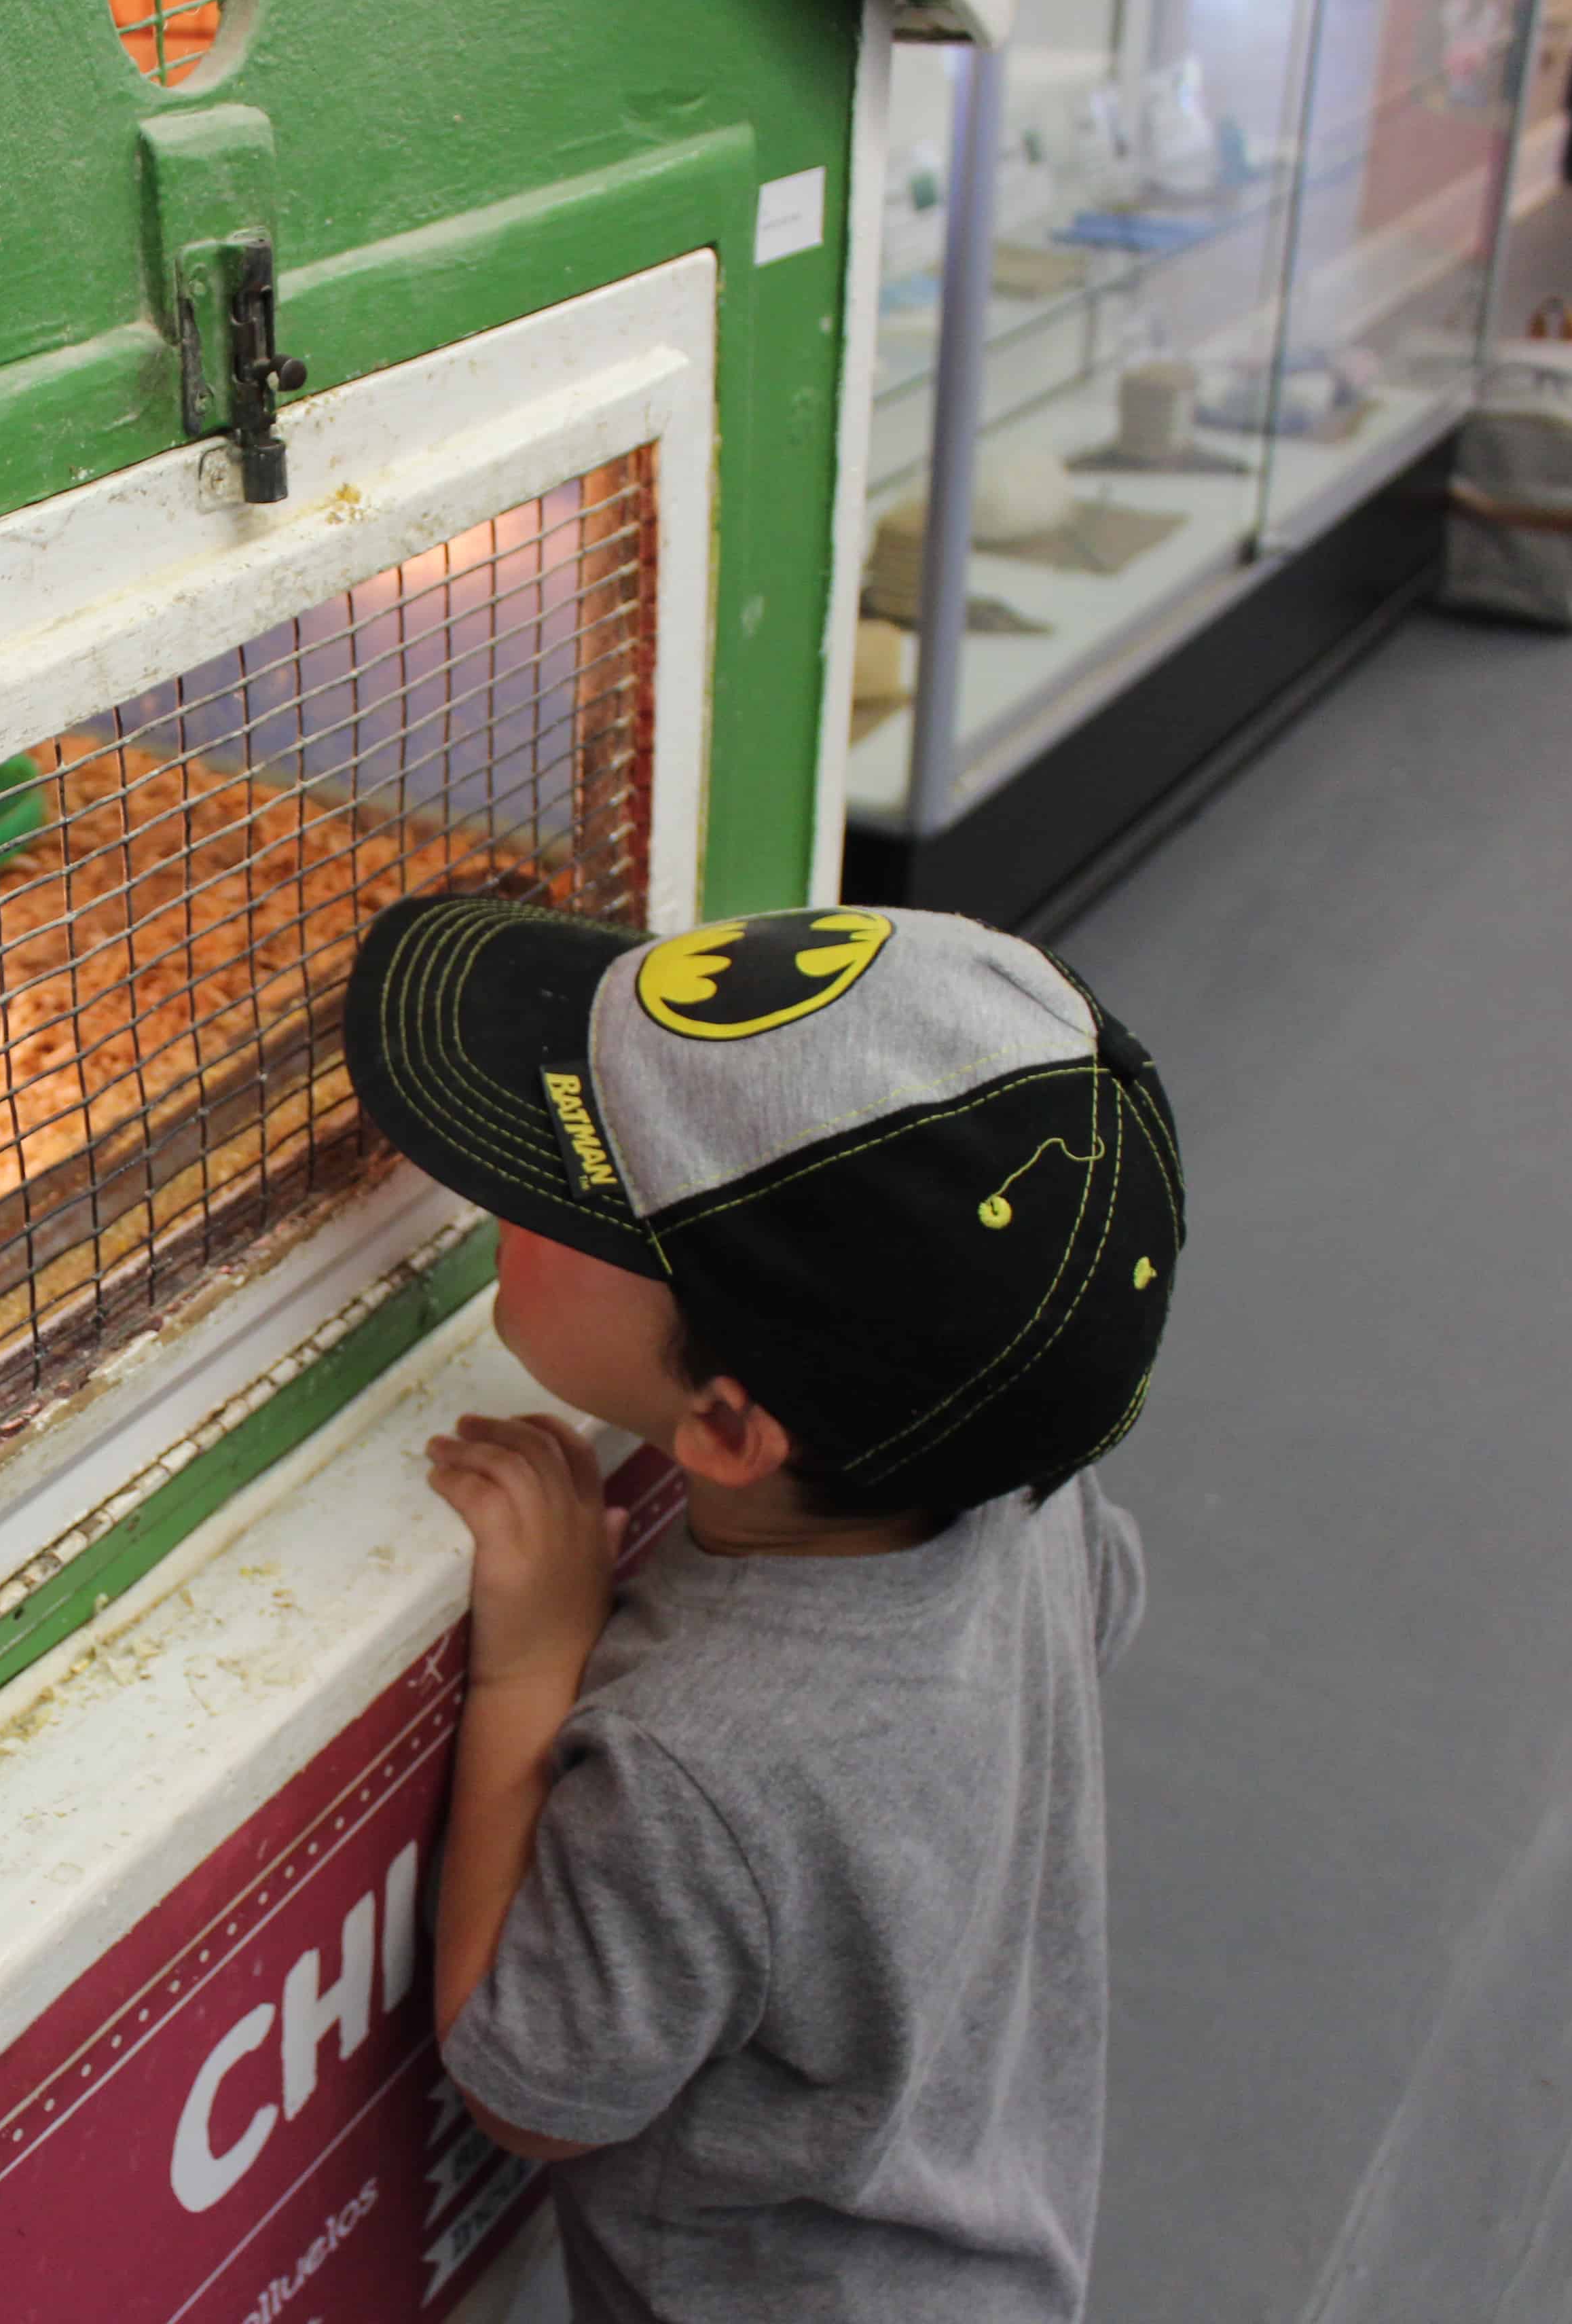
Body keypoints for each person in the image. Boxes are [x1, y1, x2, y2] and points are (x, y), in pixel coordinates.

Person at [337, 897, 1183, 2323]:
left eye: (562, 1191)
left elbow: (532, 2087)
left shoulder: (693, 1767)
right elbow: (1109, 1604)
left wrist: (535, 1667)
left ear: (726, 1431)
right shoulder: (1028, 1507)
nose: (504, 1195)